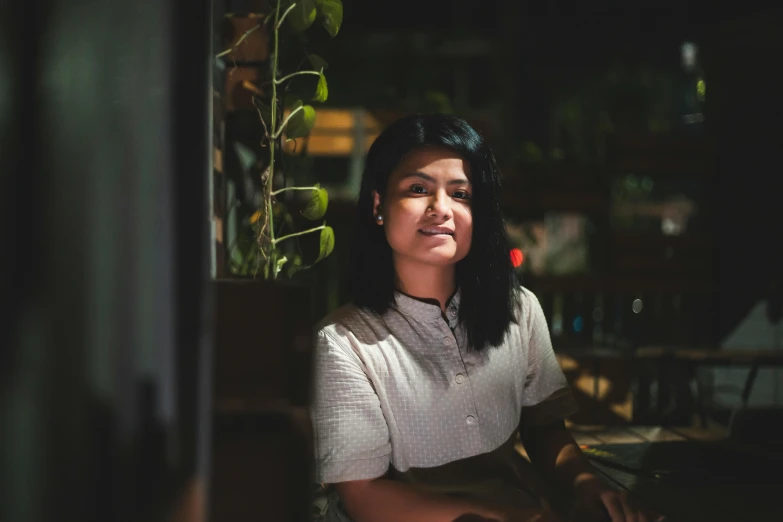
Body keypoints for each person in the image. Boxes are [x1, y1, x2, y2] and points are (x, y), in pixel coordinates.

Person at [311, 114, 659, 522]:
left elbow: (544, 428)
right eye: (418, 189)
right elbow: (364, 497)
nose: (441, 209)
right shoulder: (344, 341)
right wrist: (504, 516)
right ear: (378, 205)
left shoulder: (519, 309)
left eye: (461, 194)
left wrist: (586, 483)